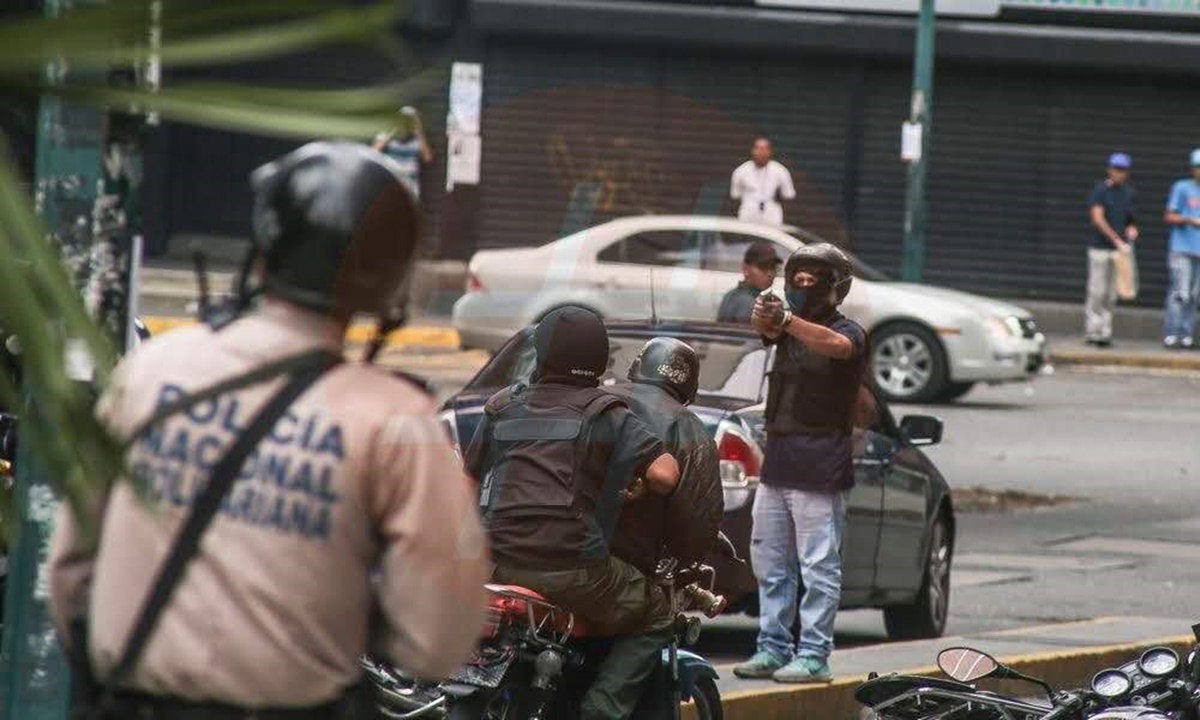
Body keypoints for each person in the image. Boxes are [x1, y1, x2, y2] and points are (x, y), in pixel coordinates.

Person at [48, 142, 490, 718]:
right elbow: (436, 640)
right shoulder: (396, 422)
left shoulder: (151, 370)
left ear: (264, 246)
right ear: (387, 280)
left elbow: (68, 577)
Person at [463, 306, 681, 720]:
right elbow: (666, 476)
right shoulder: (608, 412)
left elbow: (465, 486)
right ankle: (601, 708)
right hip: (576, 570)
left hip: (498, 567)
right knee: (658, 610)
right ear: (600, 358)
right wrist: (637, 484)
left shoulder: (502, 406)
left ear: (540, 354)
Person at [732, 243, 868, 685]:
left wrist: (788, 321)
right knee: (769, 560)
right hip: (779, 460)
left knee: (818, 564)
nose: (803, 285)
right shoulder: (786, 331)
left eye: (814, 280)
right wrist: (767, 313)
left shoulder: (848, 331)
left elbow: (837, 345)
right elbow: (765, 327)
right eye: (798, 278)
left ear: (835, 288)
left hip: (820, 460)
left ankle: (814, 654)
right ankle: (772, 646)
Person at [1084, 153, 1139, 348]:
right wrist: (1115, 239)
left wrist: (1132, 231)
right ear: (1109, 169)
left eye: (1122, 169)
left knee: (1111, 294)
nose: (1119, 173)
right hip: (1100, 248)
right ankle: (1092, 331)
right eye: (1116, 168)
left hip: (1119, 251)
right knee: (1096, 290)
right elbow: (1097, 218)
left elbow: (1131, 221)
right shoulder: (1100, 191)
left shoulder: (1129, 193)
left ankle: (1105, 332)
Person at [1162, 148, 1200, 350]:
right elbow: (1169, 216)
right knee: (1180, 292)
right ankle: (1171, 333)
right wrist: (1188, 220)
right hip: (1182, 248)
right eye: (1197, 167)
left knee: (1195, 295)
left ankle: (1186, 334)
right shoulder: (1182, 188)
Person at [372, 106, 434, 201]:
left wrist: (419, 132)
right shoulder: (386, 135)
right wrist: (393, 130)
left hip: (410, 187)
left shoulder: (417, 140)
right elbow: (373, 152)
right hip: (390, 185)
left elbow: (428, 158)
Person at [730, 137, 796, 227]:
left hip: (771, 209)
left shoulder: (780, 170)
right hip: (749, 209)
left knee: (773, 237)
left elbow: (789, 194)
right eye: (758, 149)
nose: (761, 153)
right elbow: (735, 194)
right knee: (748, 237)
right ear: (753, 150)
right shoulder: (741, 171)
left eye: (765, 149)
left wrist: (778, 196)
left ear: (770, 151)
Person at [718, 240, 782, 324]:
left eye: (773, 267)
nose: (770, 273)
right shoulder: (751, 305)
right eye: (763, 267)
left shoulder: (730, 295)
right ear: (746, 269)